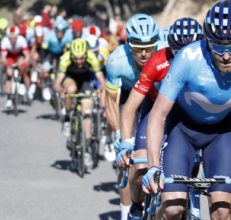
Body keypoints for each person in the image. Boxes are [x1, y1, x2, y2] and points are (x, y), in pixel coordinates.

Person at [143, 1, 231, 219]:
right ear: (207, 42)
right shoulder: (188, 59)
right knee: (172, 209)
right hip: (181, 129)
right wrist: (152, 166)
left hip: (221, 134)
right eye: (218, 47)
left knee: (221, 211)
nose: (226, 56)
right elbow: (158, 115)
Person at [118, 17, 203, 219]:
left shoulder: (205, 65)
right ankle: (137, 207)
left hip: (187, 116)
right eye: (179, 53)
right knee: (139, 167)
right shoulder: (157, 61)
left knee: (190, 169)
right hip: (155, 110)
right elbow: (130, 107)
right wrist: (125, 142)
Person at [104, 13, 160, 220]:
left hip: (155, 96)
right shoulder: (117, 61)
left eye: (149, 46)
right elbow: (110, 101)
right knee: (128, 163)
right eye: (137, 47)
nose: (144, 53)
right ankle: (128, 213)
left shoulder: (164, 52)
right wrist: (120, 136)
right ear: (128, 44)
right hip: (129, 97)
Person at [54, 38, 105, 168]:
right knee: (71, 90)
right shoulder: (65, 59)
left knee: (87, 113)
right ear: (71, 55)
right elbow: (57, 83)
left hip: (85, 80)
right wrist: (61, 91)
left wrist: (100, 90)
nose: (78, 61)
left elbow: (101, 80)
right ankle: (67, 118)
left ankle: (87, 148)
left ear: (86, 55)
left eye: (82, 58)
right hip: (70, 79)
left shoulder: (92, 58)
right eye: (75, 58)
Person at [1, 25, 31, 109]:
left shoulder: (22, 40)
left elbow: (27, 55)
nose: (12, 39)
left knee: (22, 65)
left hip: (19, 55)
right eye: (10, 37)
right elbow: (3, 57)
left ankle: (21, 82)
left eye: (14, 37)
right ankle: (9, 98)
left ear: (17, 36)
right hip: (10, 56)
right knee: (9, 73)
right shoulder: (5, 41)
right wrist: (6, 63)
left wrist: (25, 63)